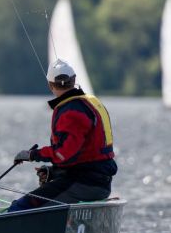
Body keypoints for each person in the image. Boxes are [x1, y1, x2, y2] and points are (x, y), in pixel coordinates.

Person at [8, 59, 118, 212]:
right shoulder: (92, 103)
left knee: (19, 208)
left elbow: (64, 154)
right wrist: (54, 172)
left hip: (84, 183)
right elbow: (82, 155)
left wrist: (32, 155)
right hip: (98, 183)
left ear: (50, 85)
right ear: (73, 81)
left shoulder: (70, 111)